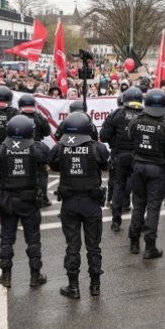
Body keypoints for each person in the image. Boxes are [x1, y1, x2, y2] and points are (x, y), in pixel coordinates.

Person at [0, 115, 50, 289]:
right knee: (33, 239)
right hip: (30, 201)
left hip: (7, 201)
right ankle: (35, 275)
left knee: (6, 238)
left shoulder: (0, 151)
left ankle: (6, 276)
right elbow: (50, 160)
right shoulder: (37, 149)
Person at [49, 112, 110, 298]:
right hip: (91, 203)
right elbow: (105, 165)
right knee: (93, 246)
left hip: (69, 204)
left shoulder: (59, 148)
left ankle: (73, 287)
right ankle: (95, 286)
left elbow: (53, 165)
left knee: (72, 246)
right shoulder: (97, 149)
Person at [127, 88, 165, 258]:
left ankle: (134, 242)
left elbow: (130, 138)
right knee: (153, 207)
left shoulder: (136, 121)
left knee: (138, 205)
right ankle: (150, 247)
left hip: (138, 166)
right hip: (157, 170)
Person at [100, 87, 142, 232]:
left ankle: (116, 221)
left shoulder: (116, 114)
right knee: (139, 190)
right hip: (138, 157)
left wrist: (114, 141)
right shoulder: (144, 115)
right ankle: (138, 222)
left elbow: (103, 135)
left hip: (119, 155)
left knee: (119, 186)